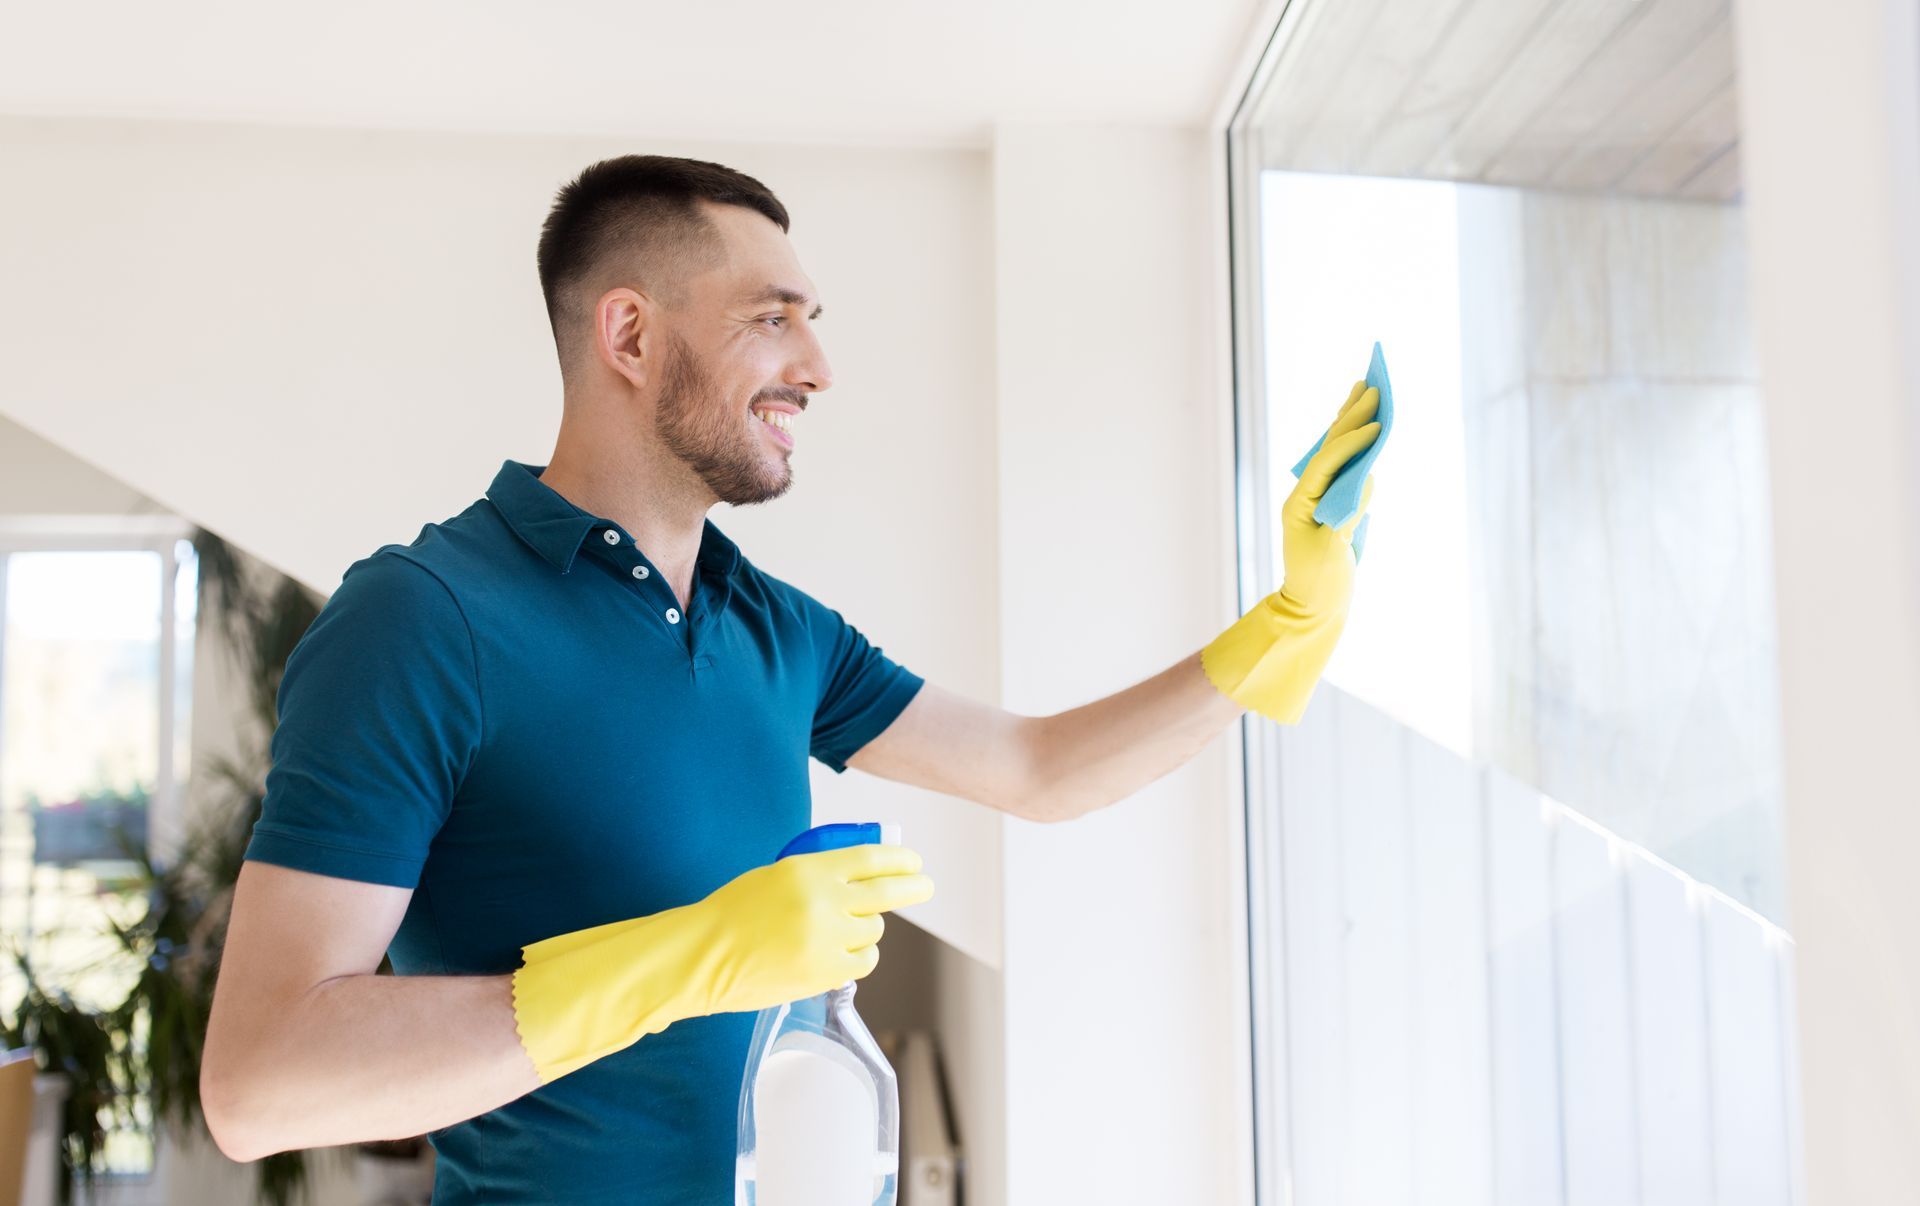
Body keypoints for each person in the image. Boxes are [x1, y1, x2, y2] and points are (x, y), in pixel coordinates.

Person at [200, 154, 1380, 1204]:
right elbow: (260, 1086)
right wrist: (689, 954)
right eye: (774, 320)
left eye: (812, 321)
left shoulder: (768, 624)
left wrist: (1281, 628)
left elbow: (1038, 767)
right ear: (630, 336)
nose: (817, 367)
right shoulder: (422, 619)